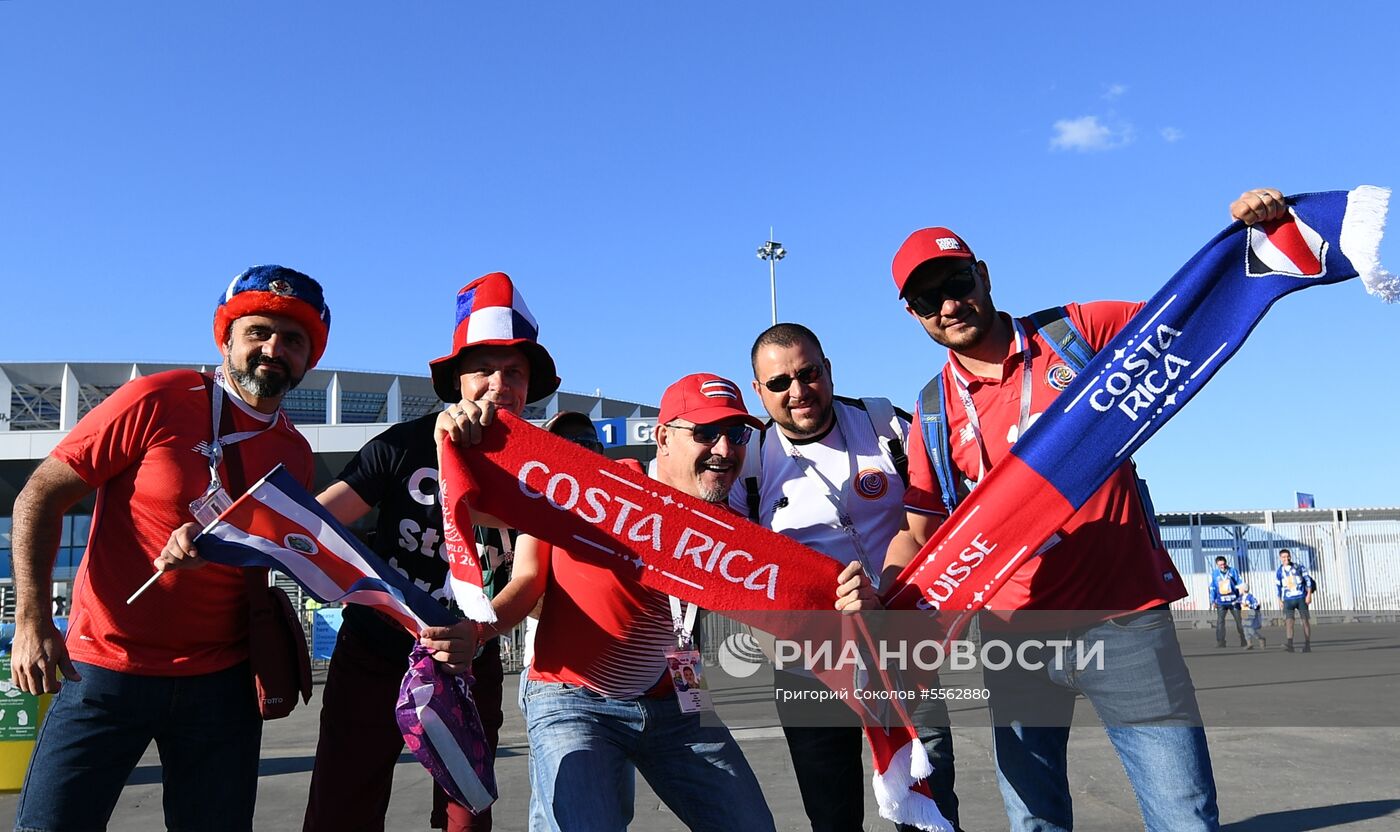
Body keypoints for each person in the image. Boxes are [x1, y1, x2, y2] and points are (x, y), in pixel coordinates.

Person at [838, 190, 1292, 831]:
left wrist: (1254, 235)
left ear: (983, 275)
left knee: (1184, 815)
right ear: (912, 315)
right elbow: (920, 532)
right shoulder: (934, 413)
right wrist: (885, 595)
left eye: (957, 282)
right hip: (1014, 636)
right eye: (926, 299)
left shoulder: (1078, 333)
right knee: (1034, 819)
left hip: (1123, 618)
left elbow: (1195, 316)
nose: (949, 305)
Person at [9, 265, 330, 832]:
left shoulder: (296, 455)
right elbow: (38, 496)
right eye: (258, 331)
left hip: (221, 683)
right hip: (104, 670)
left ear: (309, 358)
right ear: (226, 338)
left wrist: (229, 547)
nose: (273, 349)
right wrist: (33, 620)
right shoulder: (158, 397)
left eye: (293, 340)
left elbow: (272, 554)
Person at [303, 272, 559, 832]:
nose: (499, 385)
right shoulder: (400, 445)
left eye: (514, 372)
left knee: (467, 813)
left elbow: (531, 575)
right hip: (374, 649)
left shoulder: (543, 468)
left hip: (471, 657)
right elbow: (315, 522)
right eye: (483, 370)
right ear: (457, 381)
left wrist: (481, 635)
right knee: (344, 801)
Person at [518, 372, 776, 832]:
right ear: (662, 437)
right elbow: (493, 505)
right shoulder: (607, 492)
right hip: (576, 699)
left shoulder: (733, 524)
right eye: (704, 433)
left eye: (735, 434)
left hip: (678, 698)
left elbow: (766, 628)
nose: (724, 448)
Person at [737, 322, 962, 831]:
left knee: (929, 808)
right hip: (808, 664)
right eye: (778, 383)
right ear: (759, 391)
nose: (797, 392)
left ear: (828, 369)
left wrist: (885, 594)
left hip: (900, 648)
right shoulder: (748, 461)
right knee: (832, 815)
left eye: (808, 373)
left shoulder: (886, 425)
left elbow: (935, 512)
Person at [1276, 548, 1313, 652]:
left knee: (1305, 621)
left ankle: (1307, 644)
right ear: (1280, 558)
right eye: (1283, 557)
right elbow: (1278, 587)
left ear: (1290, 556)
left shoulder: (1298, 567)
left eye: (1287, 556)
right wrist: (1279, 600)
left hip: (1301, 597)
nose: (1286, 558)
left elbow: (1307, 580)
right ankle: (1290, 644)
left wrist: (1309, 594)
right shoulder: (1279, 571)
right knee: (1289, 621)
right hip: (1288, 599)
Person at [1209, 556, 1247, 648]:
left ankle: (1244, 640)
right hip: (1221, 601)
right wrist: (1212, 600)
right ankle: (1221, 641)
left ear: (1226, 563)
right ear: (1217, 565)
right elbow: (1213, 587)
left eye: (1223, 564)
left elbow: (1240, 584)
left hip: (1234, 601)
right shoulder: (1215, 573)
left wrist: (1242, 598)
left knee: (1239, 621)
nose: (1222, 566)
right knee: (1220, 622)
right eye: (1220, 565)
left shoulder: (1233, 571)